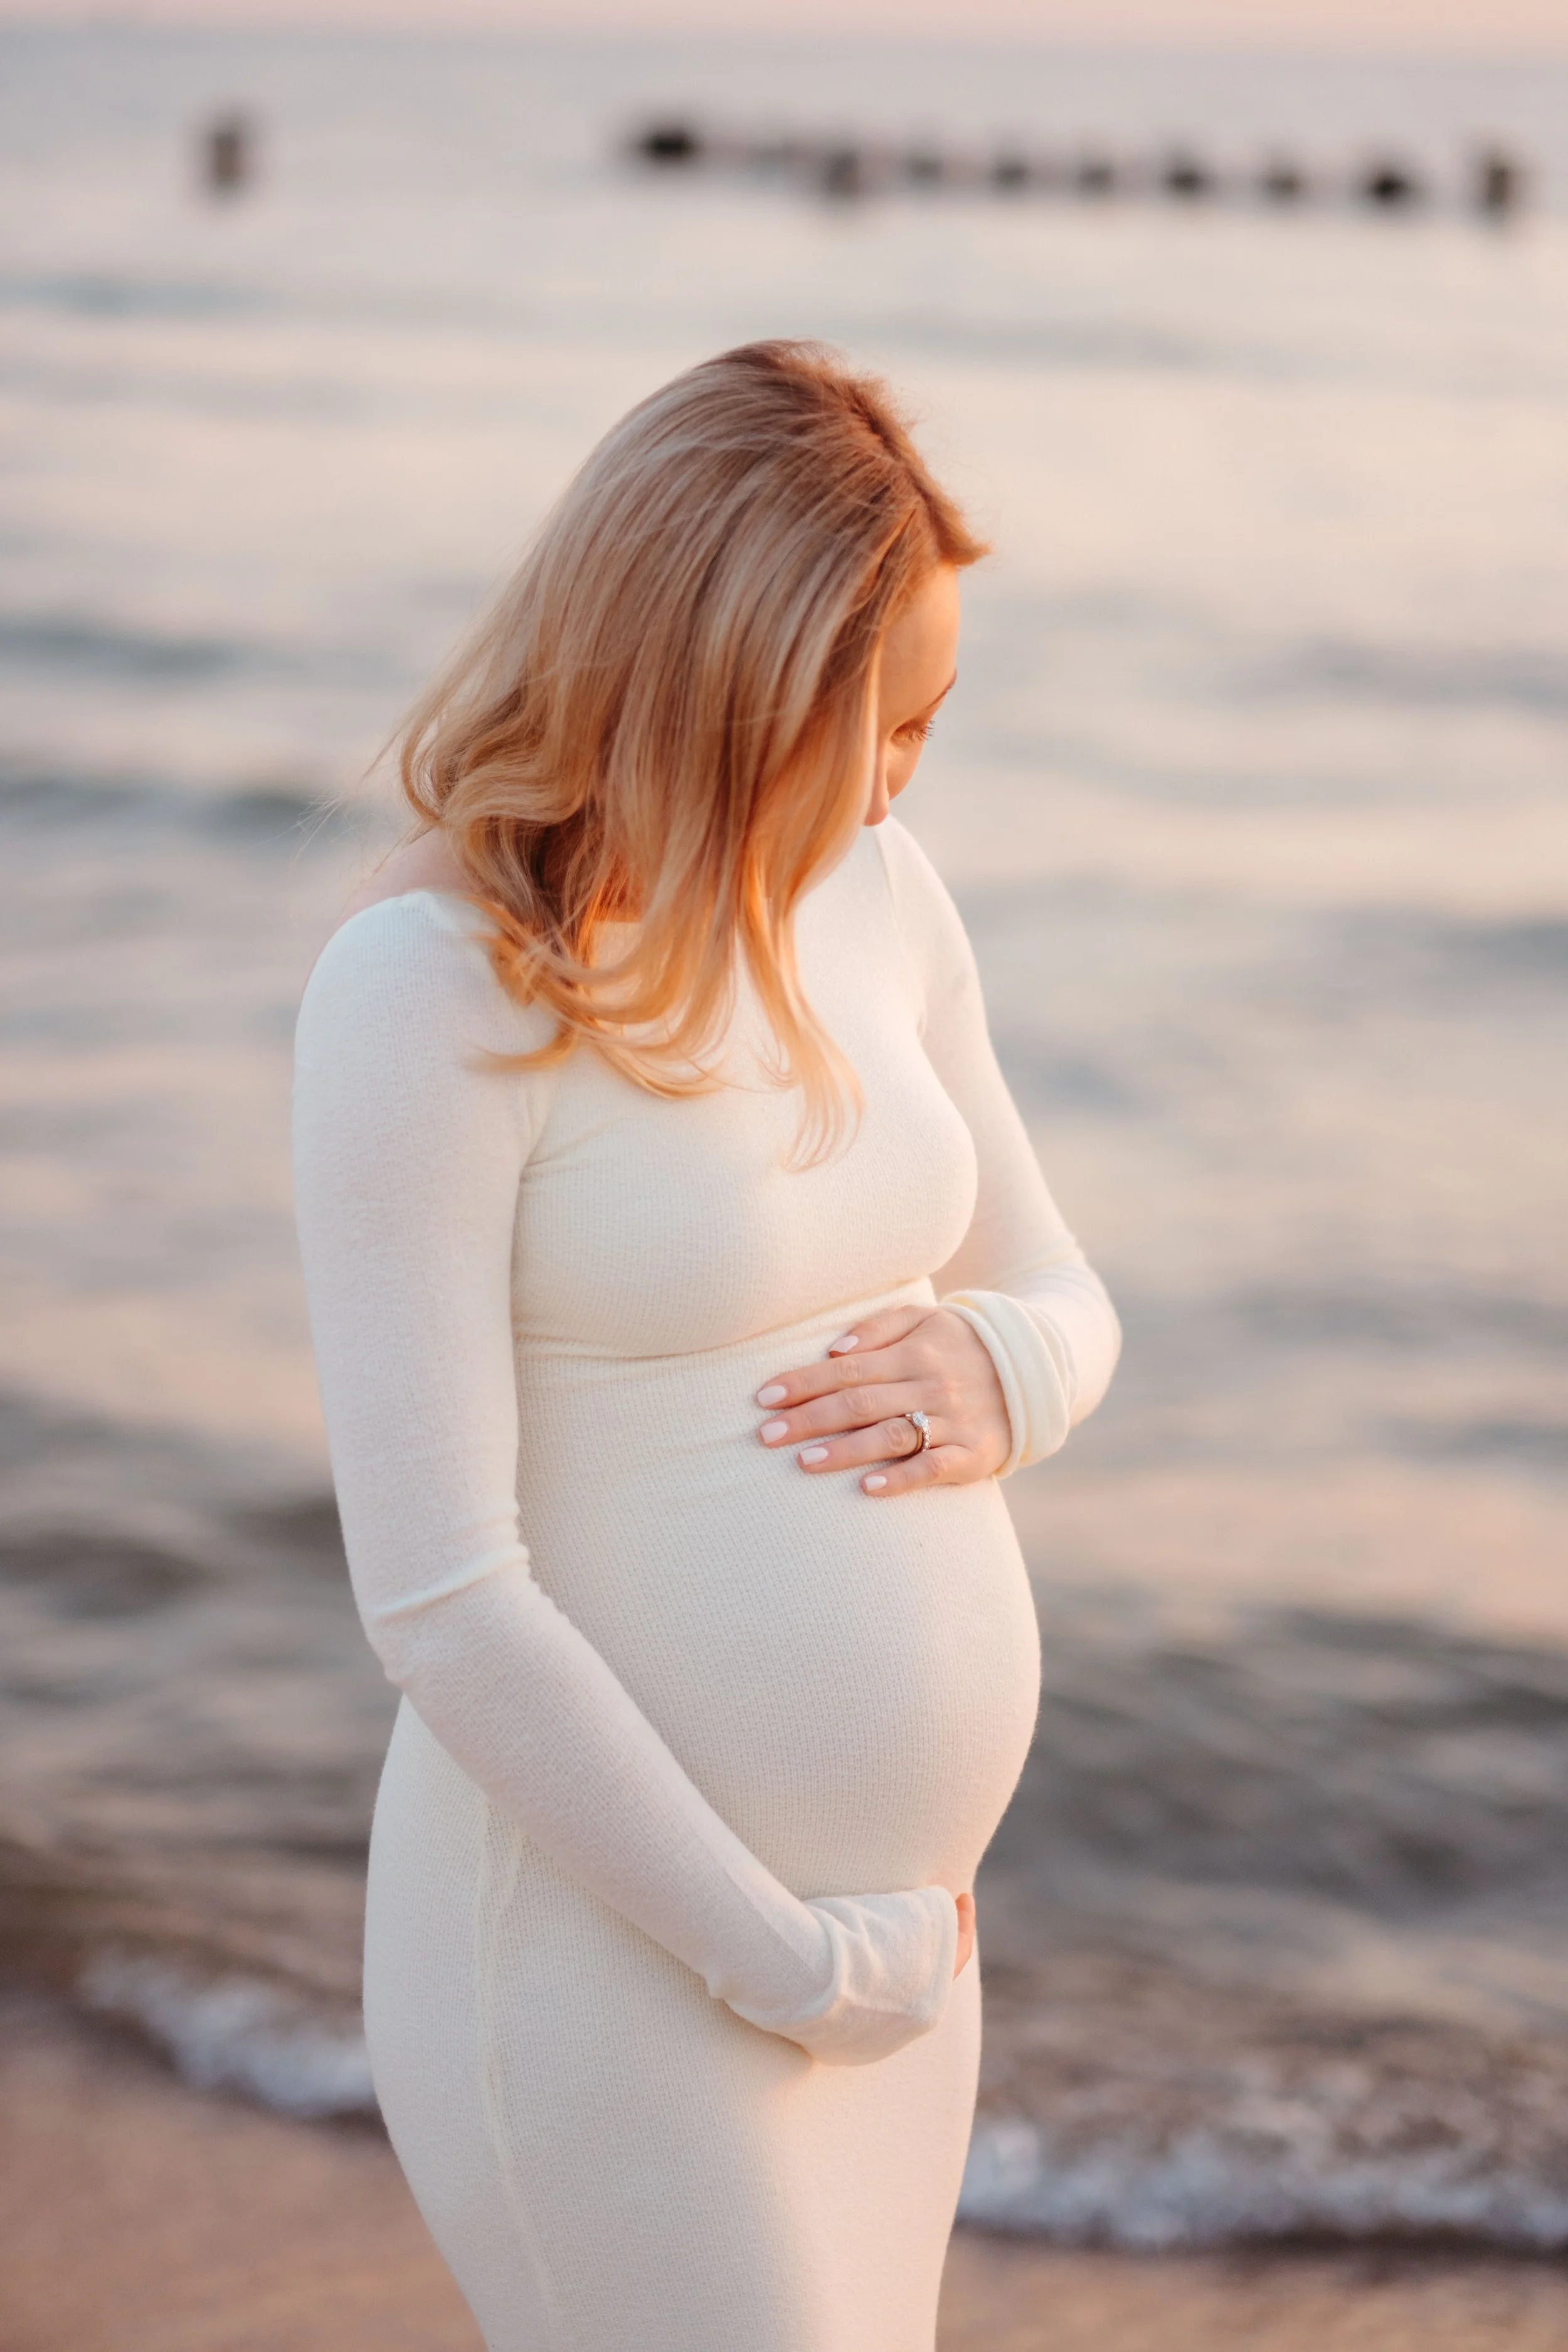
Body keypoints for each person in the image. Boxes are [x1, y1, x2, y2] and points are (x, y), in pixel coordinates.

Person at [292, 340, 1119, 2352]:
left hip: (894, 1952)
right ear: (722, 683)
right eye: (881, 723)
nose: (907, 775)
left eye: (932, 718)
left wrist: (1004, 1371)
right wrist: (777, 1959)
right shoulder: (432, 987)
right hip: (612, 1951)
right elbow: (439, 1597)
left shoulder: (882, 896)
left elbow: (1066, 1293)